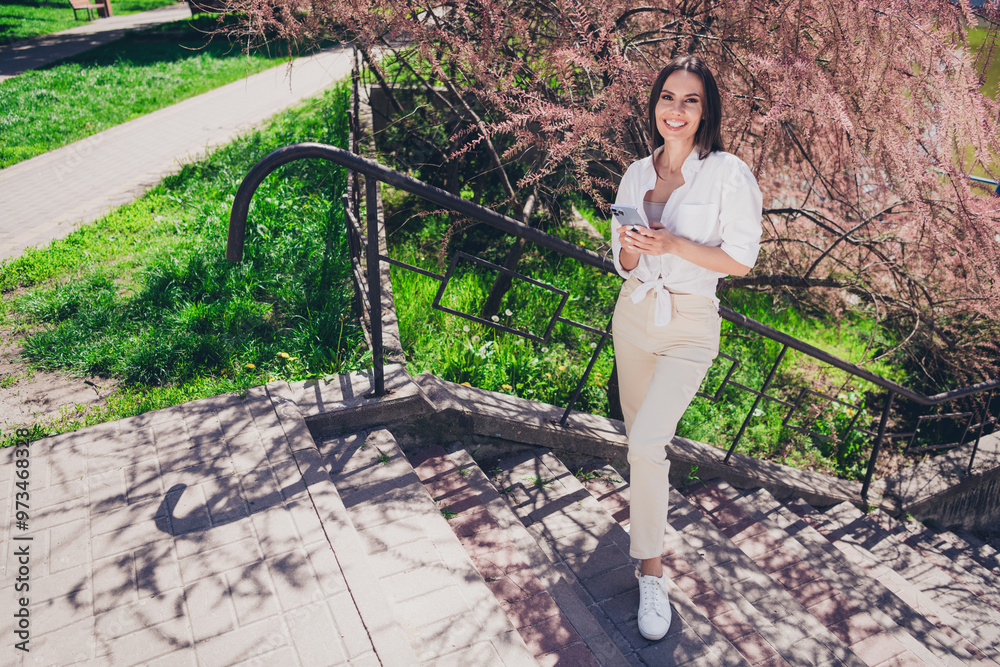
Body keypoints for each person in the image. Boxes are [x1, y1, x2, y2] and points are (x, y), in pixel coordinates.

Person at [610, 55, 763, 641]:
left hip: (691, 323)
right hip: (635, 315)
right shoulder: (633, 173)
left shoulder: (727, 174)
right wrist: (630, 247)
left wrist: (672, 244)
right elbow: (622, 264)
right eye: (668, 98)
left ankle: (652, 573)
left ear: (706, 111)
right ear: (655, 104)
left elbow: (741, 259)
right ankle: (647, 528)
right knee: (639, 441)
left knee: (648, 443)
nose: (676, 110)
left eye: (690, 100)